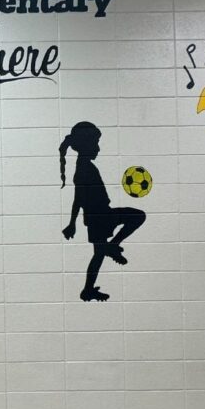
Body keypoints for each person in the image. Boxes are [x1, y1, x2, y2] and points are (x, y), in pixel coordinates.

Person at [60, 121, 145, 302]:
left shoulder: (84, 166)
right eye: (95, 143)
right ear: (86, 145)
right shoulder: (84, 169)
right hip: (100, 216)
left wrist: (73, 223)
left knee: (98, 255)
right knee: (138, 216)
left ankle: (88, 289)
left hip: (97, 216)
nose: (98, 148)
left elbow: (78, 199)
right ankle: (112, 247)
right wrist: (72, 223)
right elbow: (79, 198)